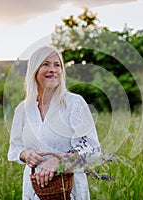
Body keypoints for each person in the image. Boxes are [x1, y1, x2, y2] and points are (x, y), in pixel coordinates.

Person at [7, 46, 101, 200]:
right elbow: (15, 147)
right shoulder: (23, 109)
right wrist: (25, 154)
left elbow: (92, 148)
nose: (53, 69)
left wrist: (60, 160)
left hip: (68, 189)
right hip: (34, 189)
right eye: (46, 64)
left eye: (57, 65)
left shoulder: (74, 103)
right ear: (34, 70)